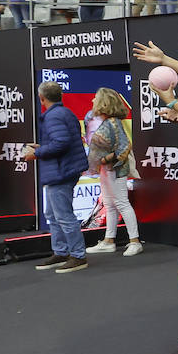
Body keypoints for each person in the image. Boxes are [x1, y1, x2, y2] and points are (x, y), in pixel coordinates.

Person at [25, 82, 91, 273]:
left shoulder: (53, 116)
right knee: (53, 215)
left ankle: (78, 256)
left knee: (63, 216)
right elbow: (63, 141)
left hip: (61, 171)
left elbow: (61, 142)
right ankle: (61, 252)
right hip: (63, 170)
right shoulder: (65, 113)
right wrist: (42, 148)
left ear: (41, 98)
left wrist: (36, 153)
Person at [83, 88, 143, 257]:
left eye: (96, 98)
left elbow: (124, 148)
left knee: (122, 203)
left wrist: (105, 159)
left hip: (116, 170)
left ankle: (135, 242)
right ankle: (109, 241)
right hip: (107, 170)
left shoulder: (113, 123)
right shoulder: (106, 122)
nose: (93, 101)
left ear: (104, 102)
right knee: (109, 204)